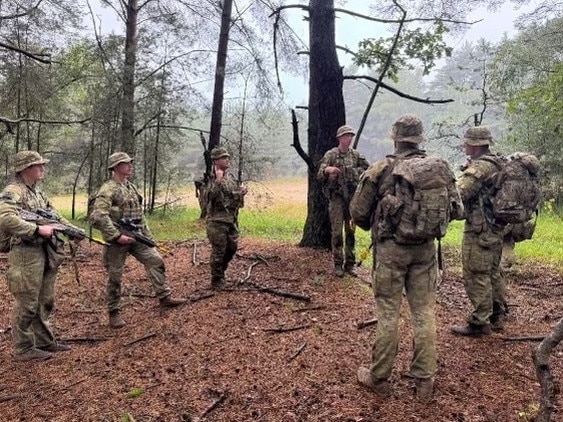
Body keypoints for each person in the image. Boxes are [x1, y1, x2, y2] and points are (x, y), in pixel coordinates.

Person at [350, 114, 463, 402]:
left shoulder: (382, 168)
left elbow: (358, 214)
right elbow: (458, 210)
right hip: (426, 251)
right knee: (424, 313)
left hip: (391, 251)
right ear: (419, 138)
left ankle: (379, 377)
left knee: (388, 313)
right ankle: (424, 381)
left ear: (395, 138)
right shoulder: (438, 169)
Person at [89, 152, 186, 329]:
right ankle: (114, 312)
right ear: (116, 167)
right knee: (115, 276)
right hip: (117, 239)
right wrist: (116, 236)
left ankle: (164, 296)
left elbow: (139, 215)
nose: (130, 166)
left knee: (155, 260)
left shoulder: (130, 187)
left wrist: (148, 237)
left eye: (129, 163)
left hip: (136, 235)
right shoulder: (108, 189)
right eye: (126, 163)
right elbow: (98, 216)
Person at [0, 150, 73, 361]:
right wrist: (35, 229)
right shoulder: (13, 191)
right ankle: (23, 348)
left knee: (45, 300)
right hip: (25, 252)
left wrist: (71, 230)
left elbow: (55, 216)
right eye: (38, 165)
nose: (42, 168)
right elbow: (5, 218)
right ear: (25, 168)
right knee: (27, 301)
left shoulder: (37, 192)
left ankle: (43, 341)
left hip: (45, 250)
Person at [451, 126, 507, 335]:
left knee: (476, 273)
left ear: (474, 145)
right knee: (492, 271)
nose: (464, 144)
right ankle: (497, 315)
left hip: (479, 228)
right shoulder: (498, 163)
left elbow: (460, 193)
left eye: (467, 142)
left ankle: (479, 322)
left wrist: (462, 173)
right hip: (497, 227)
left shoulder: (479, 169)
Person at [317, 125, 370, 277]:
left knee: (351, 231)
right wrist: (328, 170)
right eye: (346, 136)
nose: (349, 138)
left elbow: (369, 169)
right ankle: (338, 263)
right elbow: (319, 174)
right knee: (336, 232)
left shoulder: (356, 155)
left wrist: (355, 172)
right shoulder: (331, 155)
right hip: (337, 199)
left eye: (351, 136)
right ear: (339, 138)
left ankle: (350, 264)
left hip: (352, 198)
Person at [205, 146, 247, 289]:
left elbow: (234, 198)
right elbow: (208, 198)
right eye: (224, 157)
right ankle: (216, 279)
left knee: (232, 248)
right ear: (215, 161)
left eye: (228, 157)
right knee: (219, 251)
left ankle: (221, 272)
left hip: (230, 220)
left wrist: (241, 192)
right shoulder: (210, 177)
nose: (227, 159)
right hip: (216, 222)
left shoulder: (230, 177)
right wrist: (217, 181)